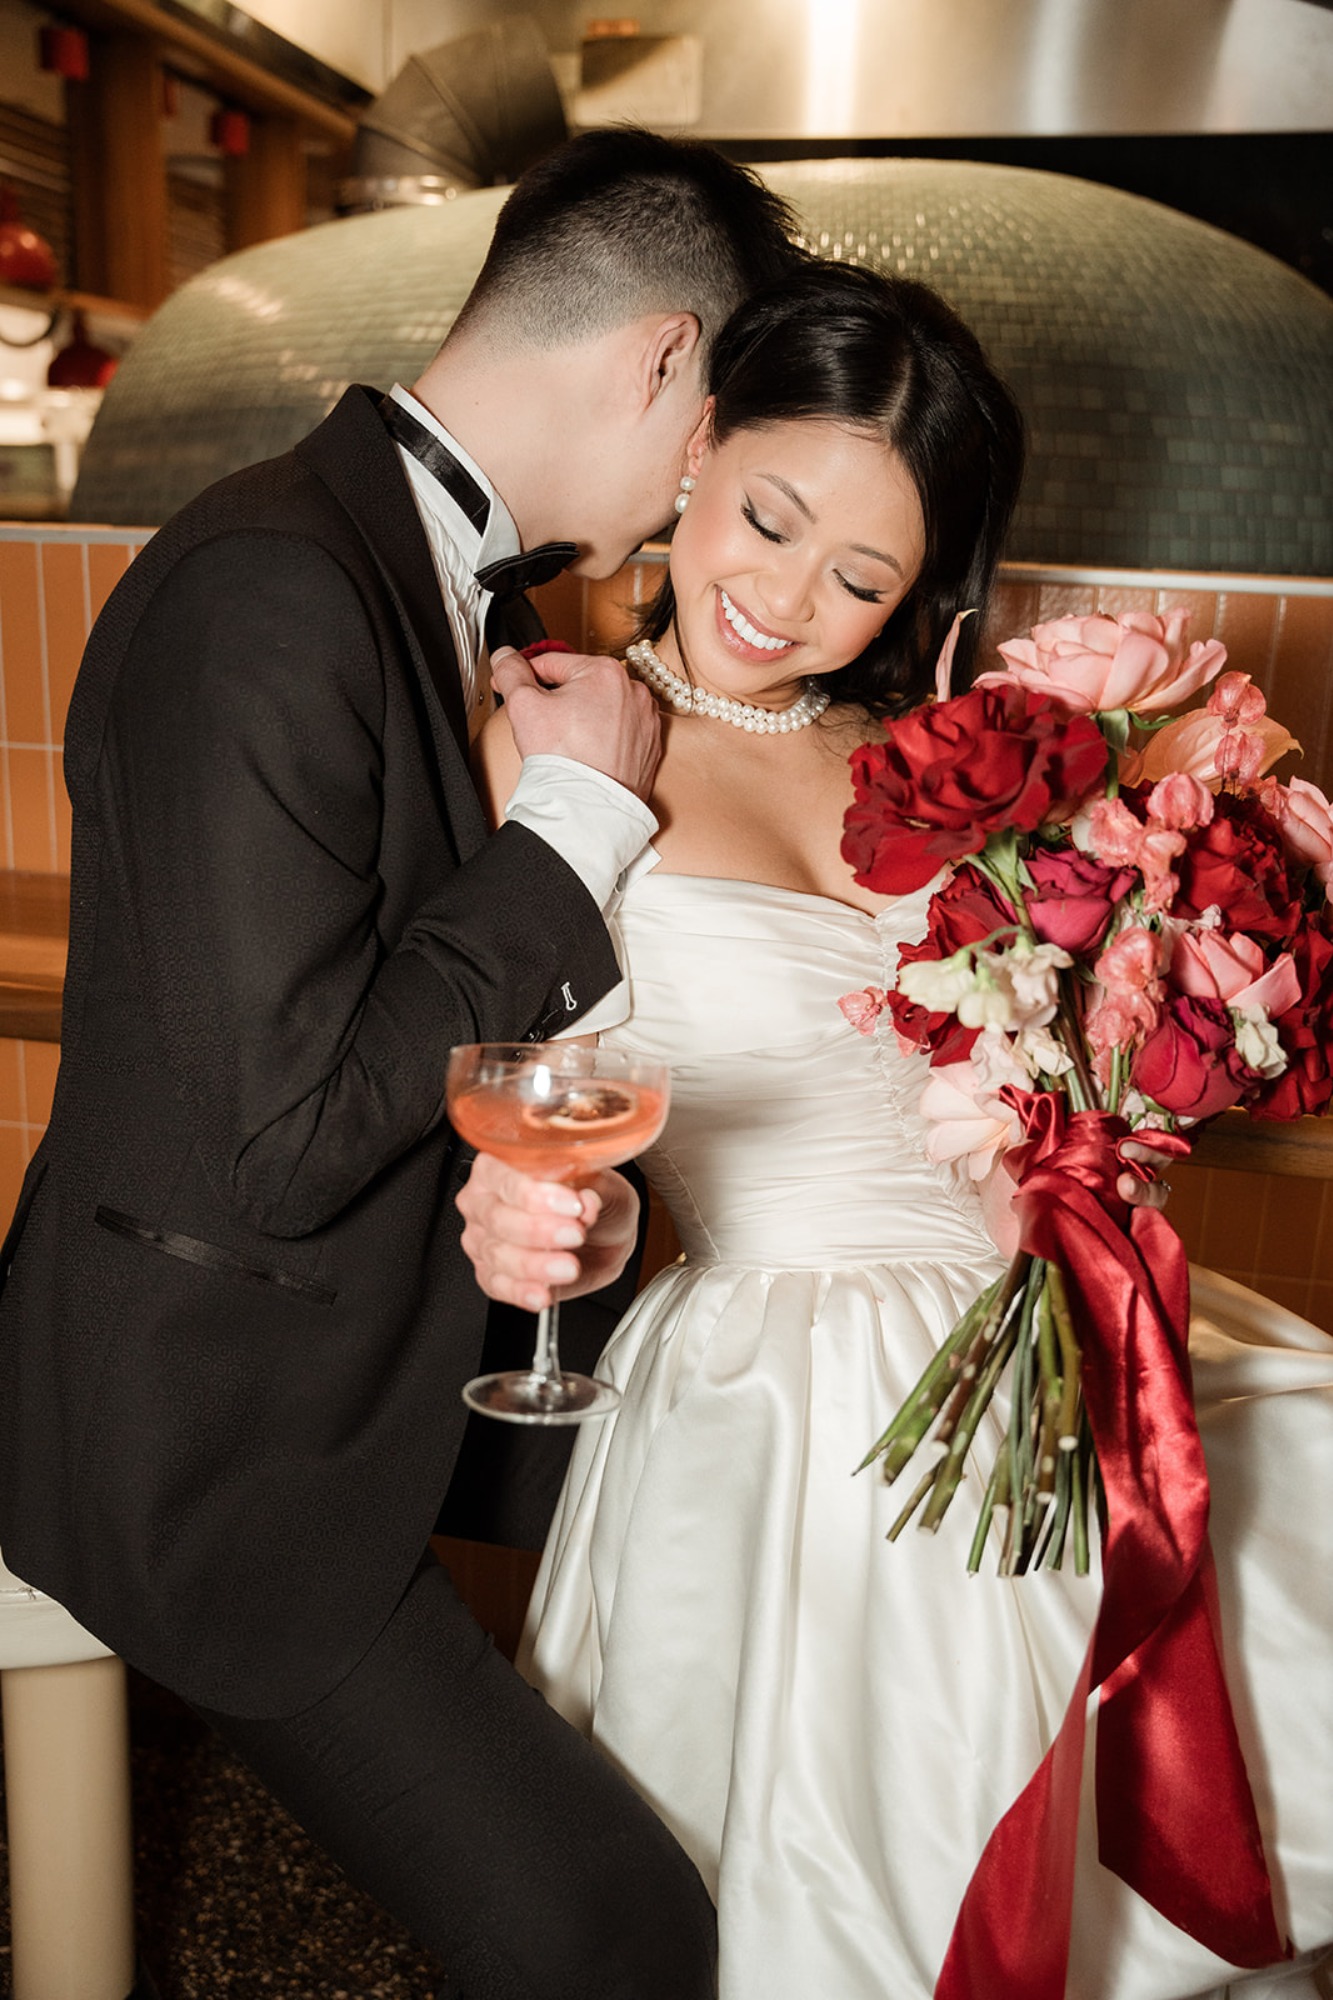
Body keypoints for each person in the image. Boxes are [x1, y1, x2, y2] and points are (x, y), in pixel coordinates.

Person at [463, 261, 1333, 1998]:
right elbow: (559, 1101)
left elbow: (1035, 1064)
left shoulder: (952, 762)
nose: (784, 599)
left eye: (858, 576)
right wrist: (572, 1225)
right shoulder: (560, 735)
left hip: (1048, 1325)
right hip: (783, 1387)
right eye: (766, 522)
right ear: (696, 450)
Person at [0, 129, 805, 2000]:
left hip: (369, 1356)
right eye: (716, 439)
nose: (698, 498)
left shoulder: (433, 578)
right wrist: (575, 830)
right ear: (661, 361)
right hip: (207, 1439)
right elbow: (283, 1135)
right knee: (609, 1929)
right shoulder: (269, 584)